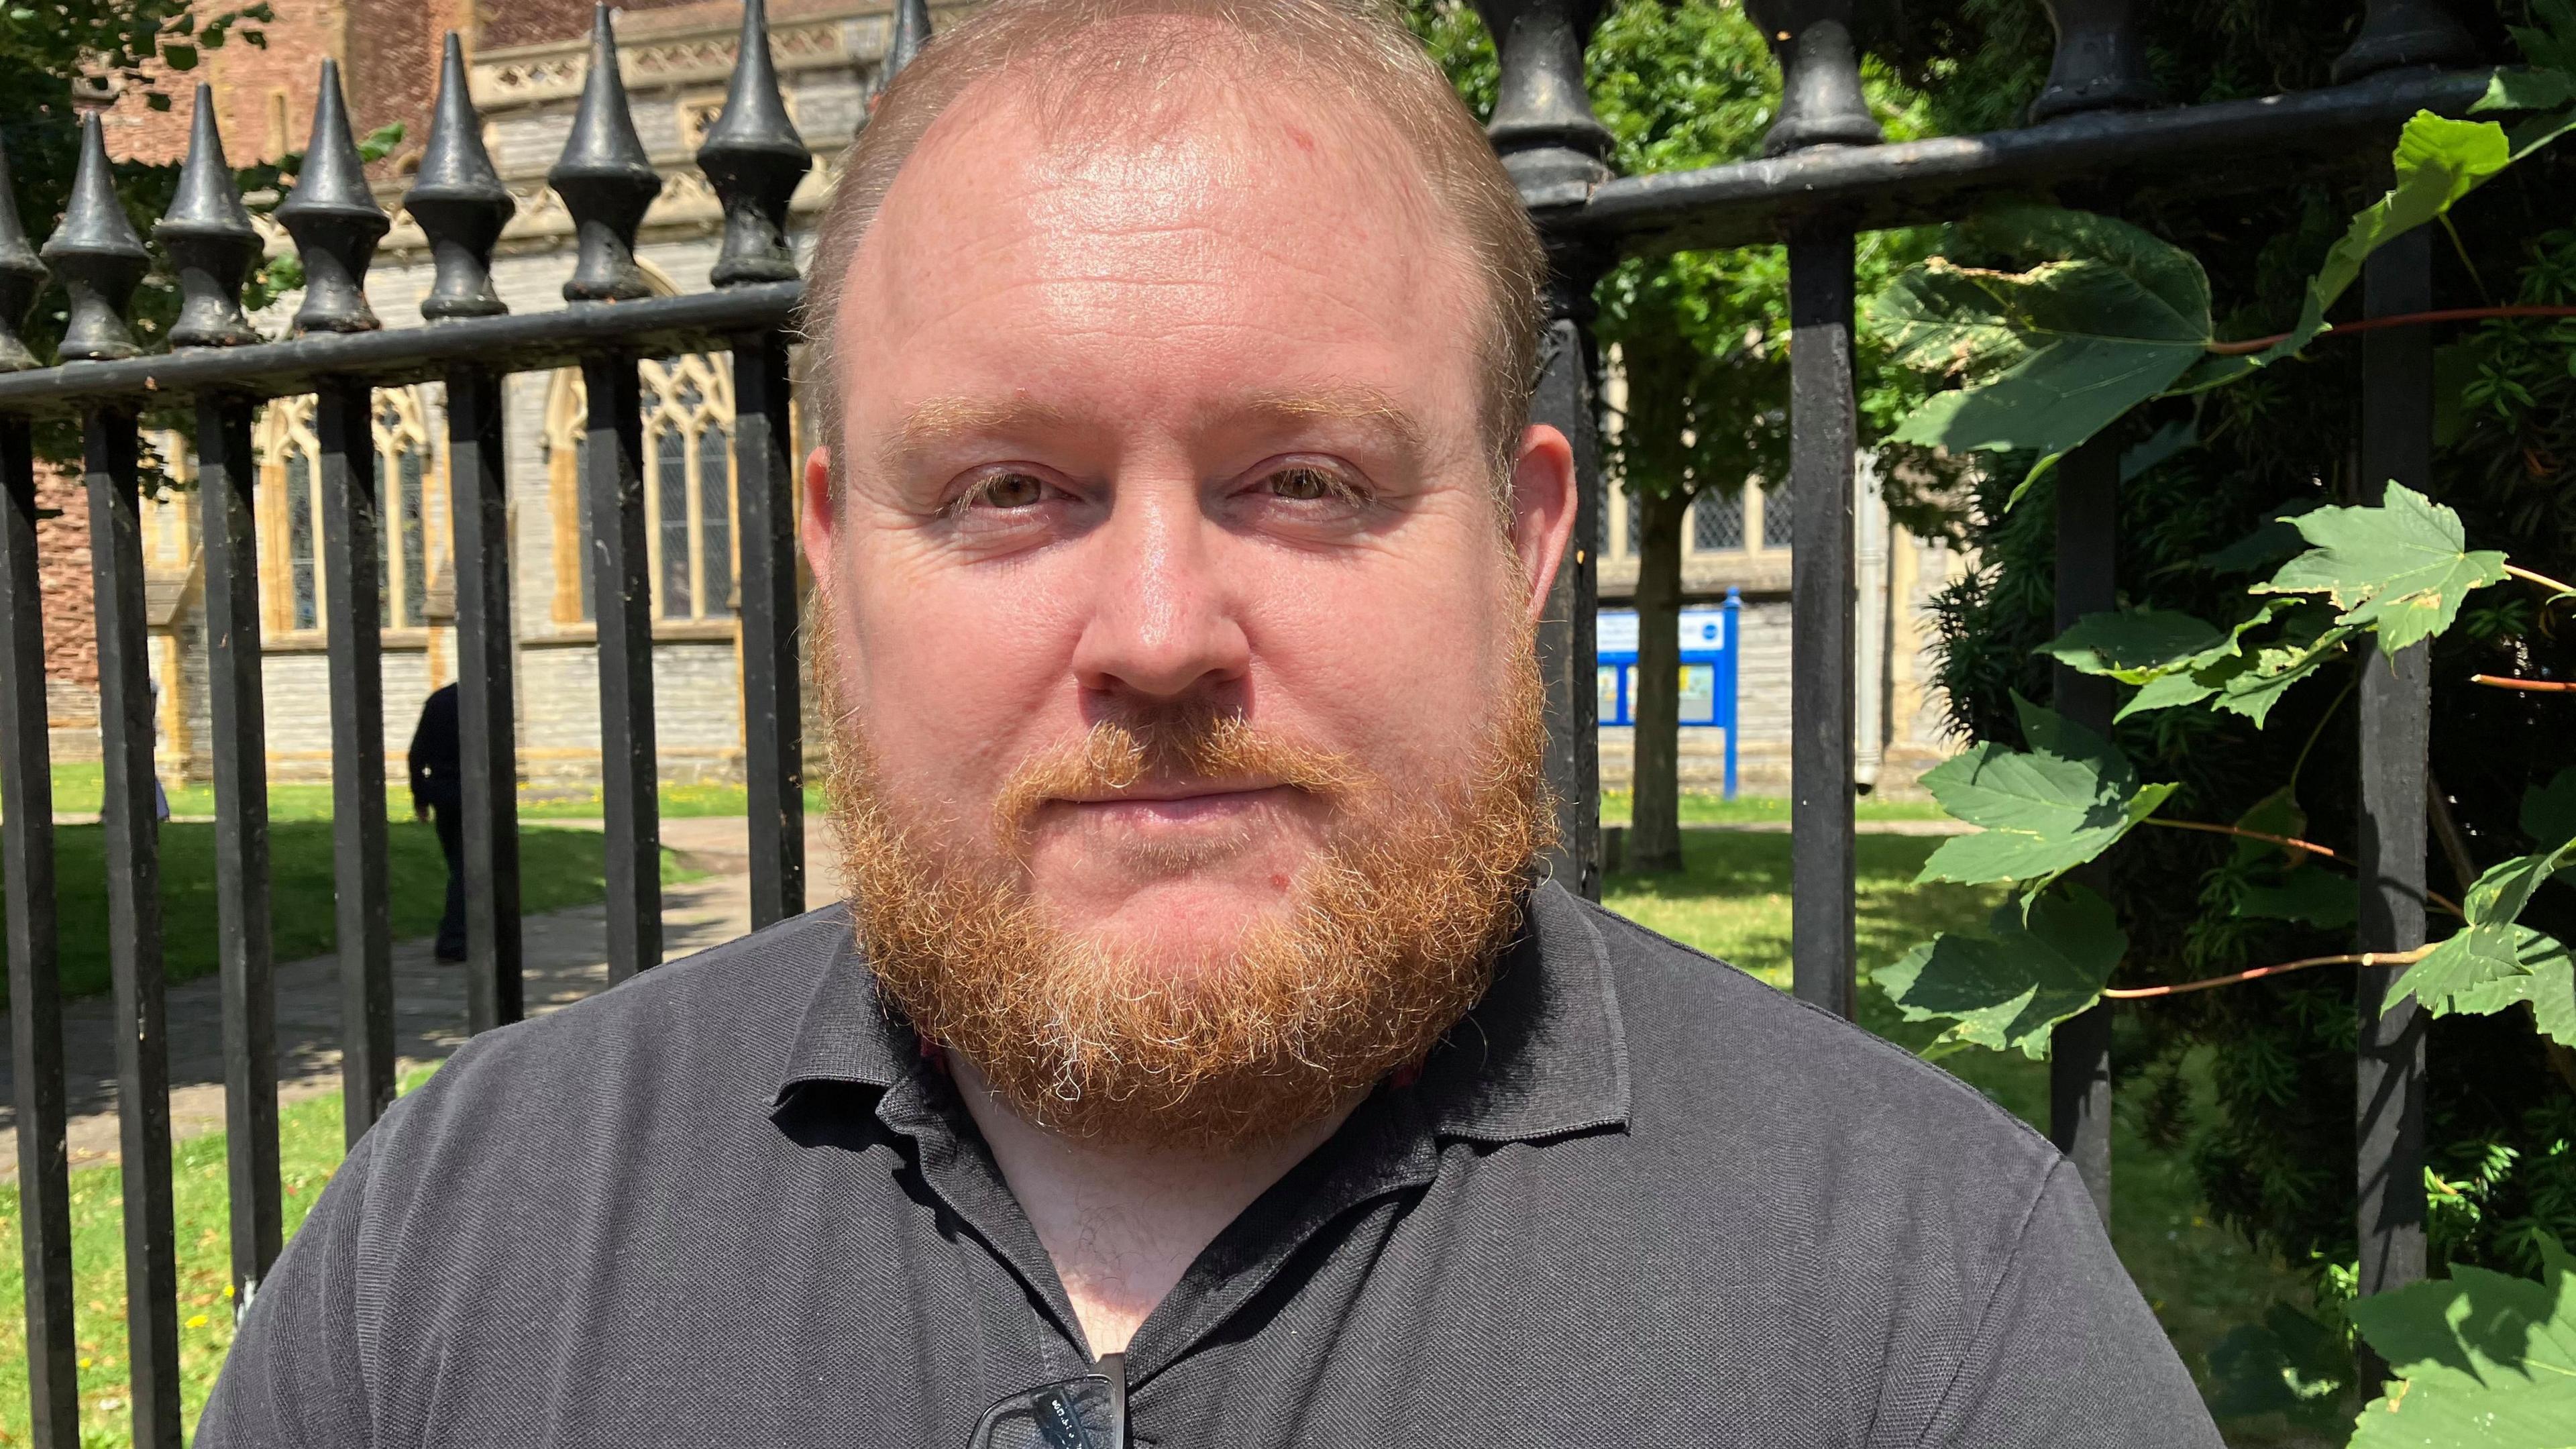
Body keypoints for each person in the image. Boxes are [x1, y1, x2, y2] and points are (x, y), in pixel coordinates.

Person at [197, 2, 2223, 1444]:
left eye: (1305, 482)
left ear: (1524, 542)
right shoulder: (457, 1237)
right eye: (1008, 489)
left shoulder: (1926, 1309)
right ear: (828, 555)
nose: (1158, 635)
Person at [407, 681, 467, 963]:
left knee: (459, 865)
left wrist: (420, 797)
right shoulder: (484, 698)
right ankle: (455, 940)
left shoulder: (440, 700)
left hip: (444, 793)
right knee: (470, 870)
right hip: (476, 793)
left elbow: (417, 753)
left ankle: (460, 937)